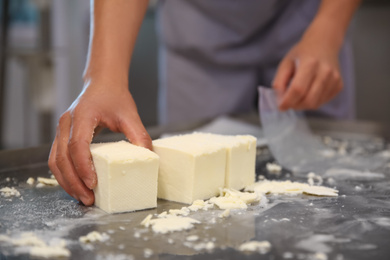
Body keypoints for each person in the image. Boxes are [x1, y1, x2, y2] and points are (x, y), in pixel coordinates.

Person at [48, 0, 361, 205]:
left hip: (306, 16)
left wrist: (329, 29)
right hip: (200, 23)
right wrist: (103, 77)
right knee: (191, 186)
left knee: (328, 176)